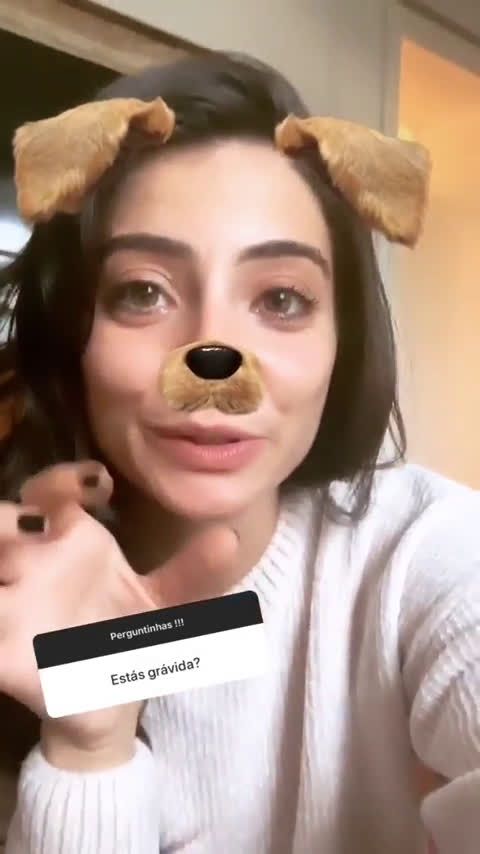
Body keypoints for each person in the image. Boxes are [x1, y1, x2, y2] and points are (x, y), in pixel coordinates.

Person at [0, 51, 478, 854]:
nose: (213, 355)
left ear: (342, 340)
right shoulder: (19, 596)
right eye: (143, 292)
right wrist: (89, 742)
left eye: (281, 299)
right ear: (72, 327)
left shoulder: (423, 551)